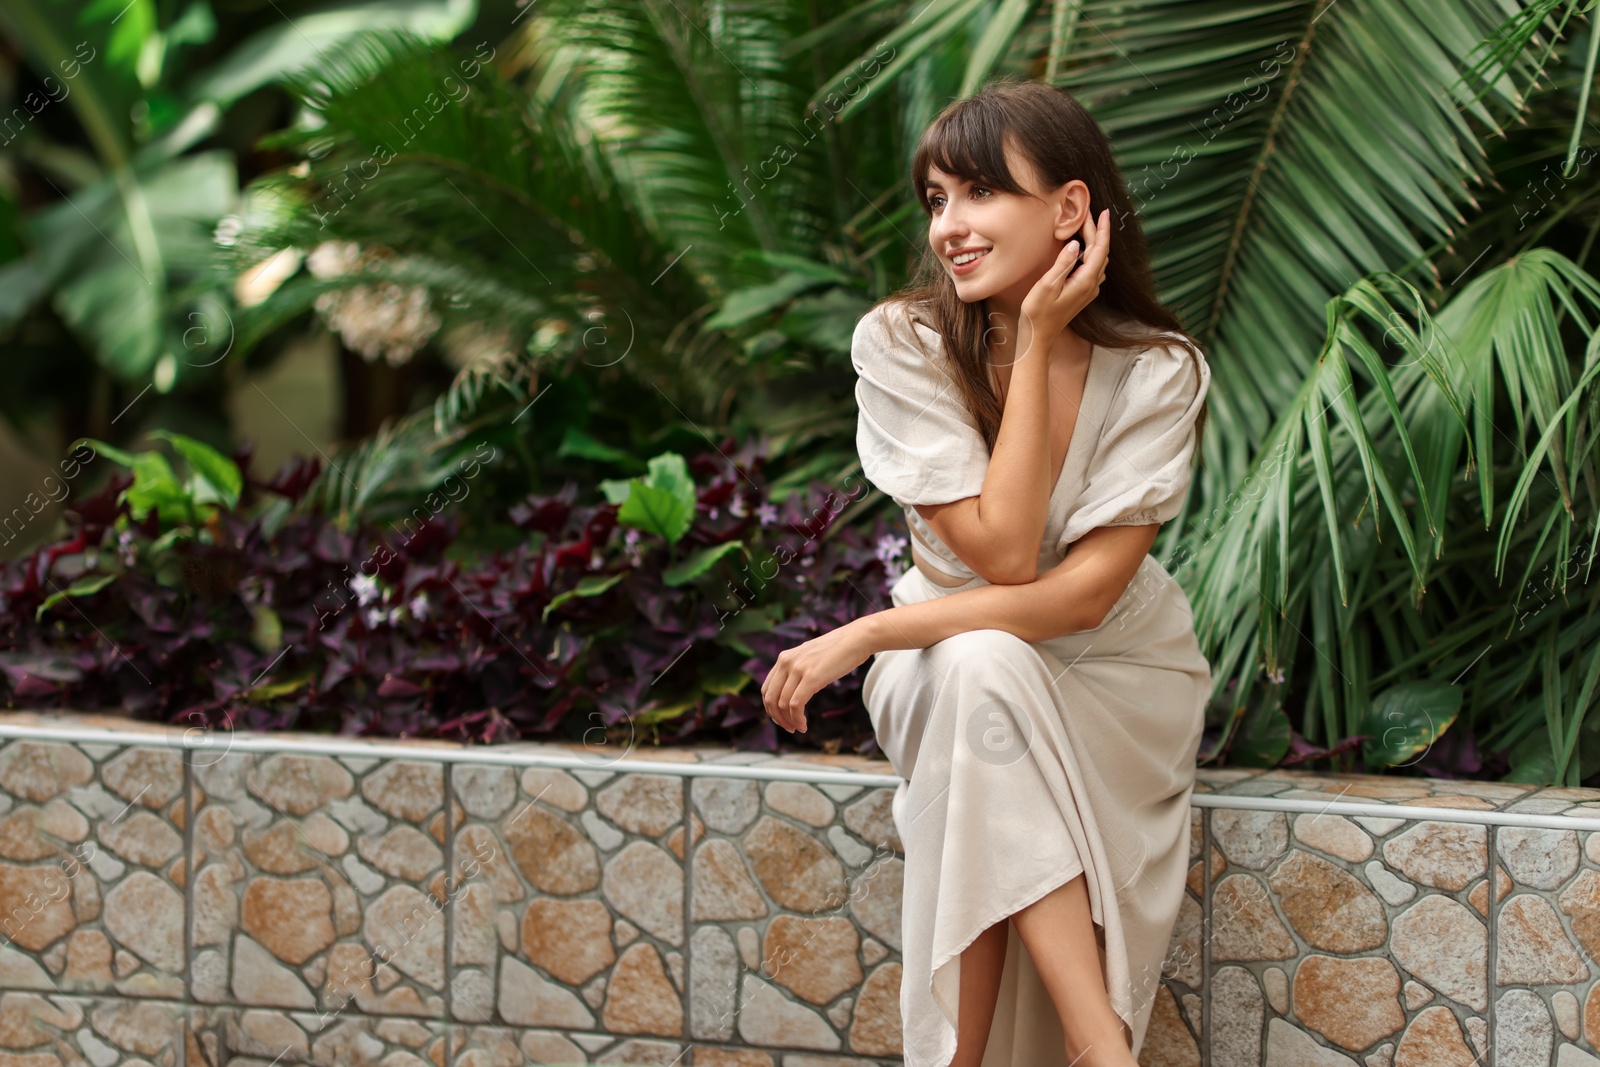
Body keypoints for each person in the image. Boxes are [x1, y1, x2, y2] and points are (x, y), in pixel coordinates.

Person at [759, 78, 1213, 1067]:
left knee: (980, 665)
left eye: (978, 193)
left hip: (1113, 671)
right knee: (977, 668)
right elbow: (1001, 554)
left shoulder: (1158, 367)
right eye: (935, 200)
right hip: (949, 658)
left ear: (1069, 209)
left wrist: (870, 629)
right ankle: (1103, 1045)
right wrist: (1037, 335)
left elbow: (1073, 591)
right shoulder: (903, 343)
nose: (949, 227)